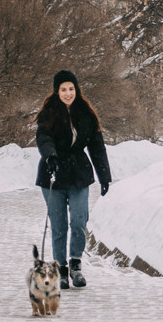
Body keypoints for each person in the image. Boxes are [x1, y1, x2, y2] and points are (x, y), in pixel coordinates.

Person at [35, 69, 111, 291]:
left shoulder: (86, 114)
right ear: (57, 91)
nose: (68, 93)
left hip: (78, 174)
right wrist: (50, 157)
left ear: (77, 90)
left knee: (78, 220)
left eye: (71, 89)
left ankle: (76, 263)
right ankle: (62, 269)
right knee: (59, 226)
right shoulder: (49, 113)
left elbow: (97, 147)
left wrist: (104, 177)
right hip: (54, 173)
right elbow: (43, 137)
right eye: (63, 90)